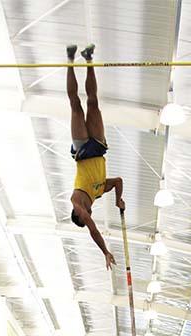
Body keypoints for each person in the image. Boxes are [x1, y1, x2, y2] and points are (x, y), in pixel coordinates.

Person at [67, 44, 125, 270]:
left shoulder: (77, 201)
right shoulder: (99, 191)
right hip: (98, 146)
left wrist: (104, 251)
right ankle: (88, 59)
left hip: (82, 149)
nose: (87, 215)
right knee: (93, 102)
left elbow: (92, 229)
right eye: (87, 216)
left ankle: (71, 60)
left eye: (84, 216)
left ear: (79, 214)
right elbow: (119, 181)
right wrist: (118, 199)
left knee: (76, 106)